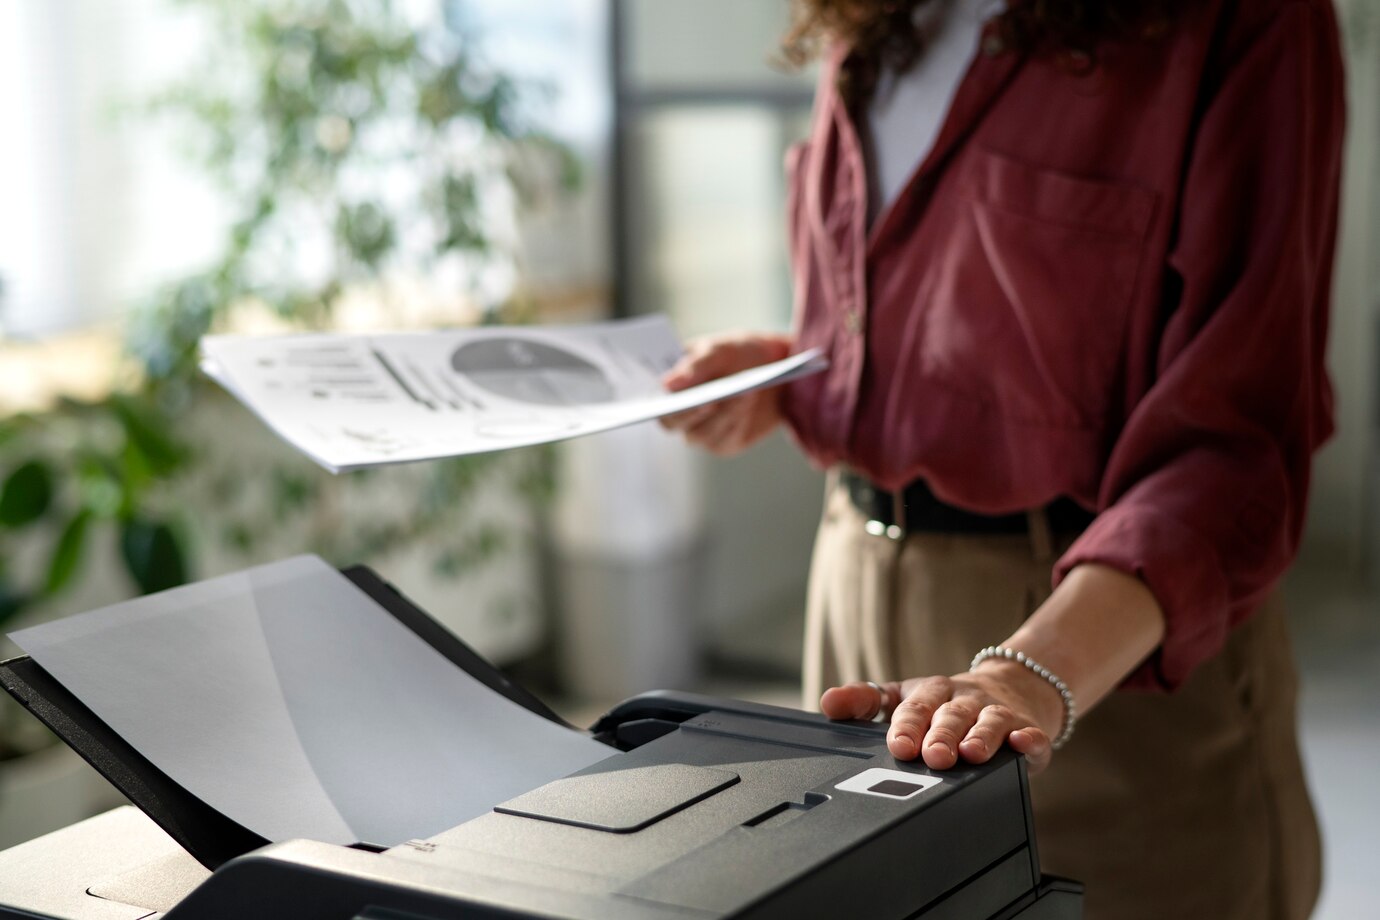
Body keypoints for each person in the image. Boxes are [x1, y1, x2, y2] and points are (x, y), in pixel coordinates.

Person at [660, 0, 1346, 917]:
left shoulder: (1243, 23)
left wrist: (1024, 676)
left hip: (1094, 658)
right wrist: (803, 374)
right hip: (853, 605)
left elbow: (1233, 443)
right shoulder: (869, 18)